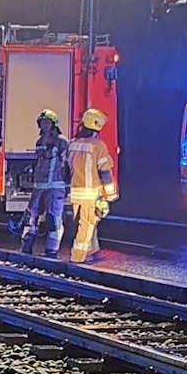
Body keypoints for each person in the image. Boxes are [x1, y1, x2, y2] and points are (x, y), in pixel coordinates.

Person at [67, 107, 118, 263]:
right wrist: (111, 194)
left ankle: (93, 250)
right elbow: (105, 173)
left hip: (75, 192)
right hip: (90, 193)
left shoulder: (73, 144)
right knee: (87, 225)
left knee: (86, 224)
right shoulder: (98, 145)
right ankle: (78, 256)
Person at [20, 109, 70, 257]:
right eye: (42, 123)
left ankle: (51, 250)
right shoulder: (39, 141)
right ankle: (26, 247)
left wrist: (68, 184)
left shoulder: (62, 141)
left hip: (55, 186)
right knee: (31, 218)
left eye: (47, 122)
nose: (44, 125)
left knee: (53, 219)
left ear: (54, 124)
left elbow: (66, 164)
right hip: (39, 187)